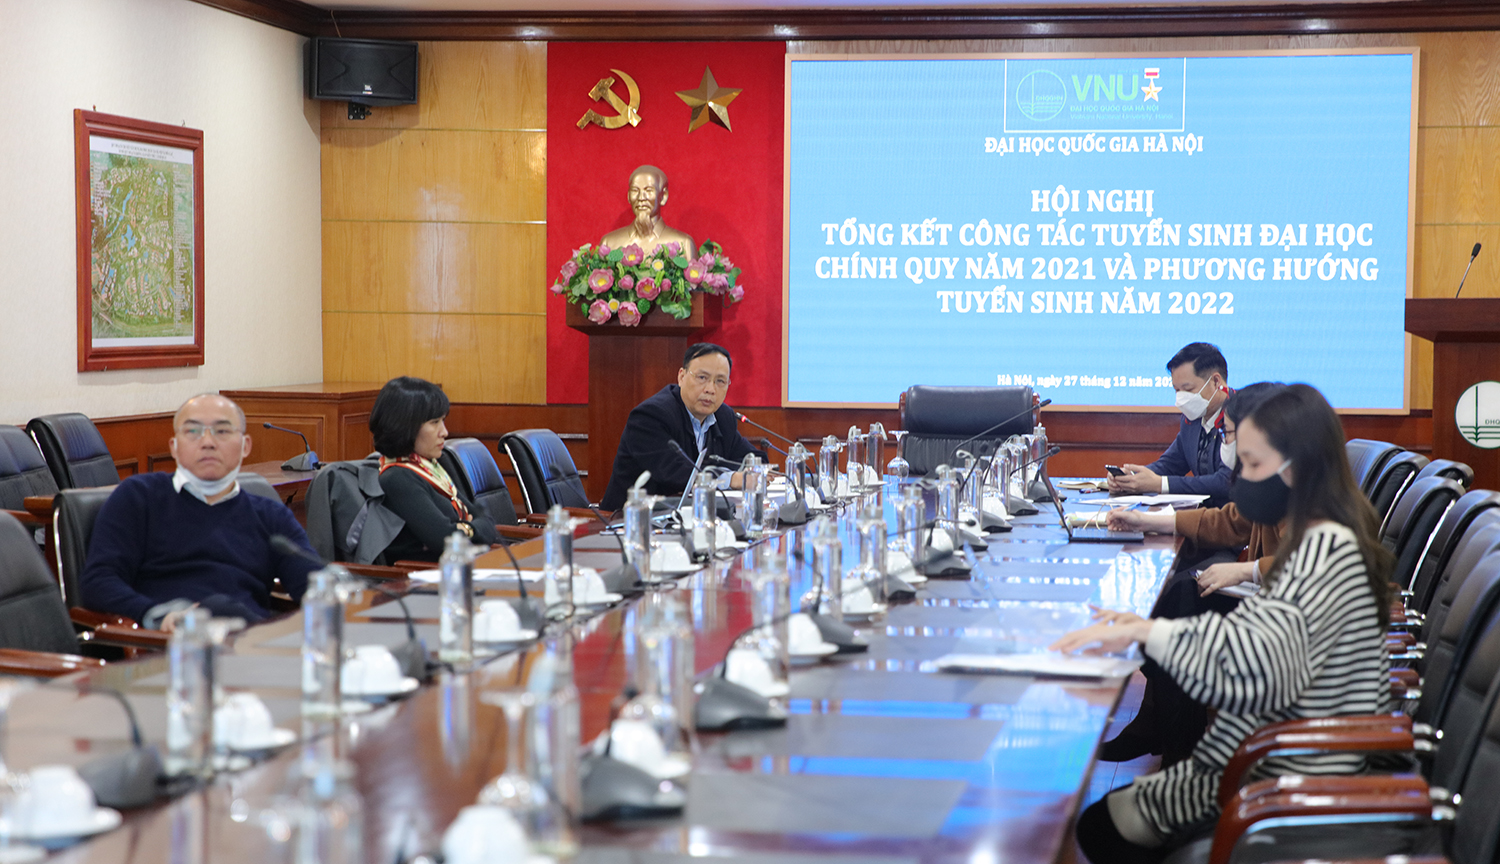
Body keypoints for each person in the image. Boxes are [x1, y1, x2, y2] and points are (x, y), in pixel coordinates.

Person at [1055, 383, 1393, 864]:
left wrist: (1146, 633)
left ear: (1294, 467)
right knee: (1102, 821)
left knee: (1099, 826)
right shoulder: (1323, 535)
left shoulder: (1327, 549)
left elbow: (1250, 666)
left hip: (1282, 778)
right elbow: (1257, 639)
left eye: (1252, 464)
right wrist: (1143, 630)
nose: (1242, 478)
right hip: (1267, 757)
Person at [1097, 382, 1287, 764]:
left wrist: (1247, 570)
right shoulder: (1274, 476)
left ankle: (1179, 751)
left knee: (1181, 602)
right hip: (1273, 601)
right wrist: (1147, 520)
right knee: (1176, 596)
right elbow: (1231, 521)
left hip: (1286, 619)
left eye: (1228, 434)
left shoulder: (1302, 487)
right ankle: (1165, 734)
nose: (1225, 444)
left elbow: (1312, 567)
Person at [79, 394, 320, 630]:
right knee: (216, 609)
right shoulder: (138, 497)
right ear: (174, 447)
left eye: (222, 431)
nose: (207, 442)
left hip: (248, 640)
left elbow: (313, 583)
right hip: (170, 643)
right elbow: (98, 582)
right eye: (193, 431)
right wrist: (157, 615)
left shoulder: (270, 515)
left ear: (245, 446)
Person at [600, 343, 758, 512]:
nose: (710, 389)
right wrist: (730, 478)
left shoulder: (723, 416)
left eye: (720, 381)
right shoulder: (651, 415)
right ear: (681, 377)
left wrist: (752, 471)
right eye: (702, 377)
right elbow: (674, 473)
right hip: (630, 520)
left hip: (690, 517)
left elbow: (752, 457)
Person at [370, 377, 497, 562]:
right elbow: (444, 540)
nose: (444, 432)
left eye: (443, 421)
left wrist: (464, 529)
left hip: (458, 565)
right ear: (405, 426)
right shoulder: (397, 477)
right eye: (434, 422)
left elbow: (488, 522)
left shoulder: (431, 467)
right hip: (422, 575)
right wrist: (470, 528)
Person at [1109, 342, 1234, 505]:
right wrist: (1131, 478)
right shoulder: (1192, 418)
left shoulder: (1244, 416)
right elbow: (1170, 464)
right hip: (1202, 514)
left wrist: (1161, 484)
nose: (1182, 398)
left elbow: (1226, 481)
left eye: (1188, 389)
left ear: (1216, 382)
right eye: (1177, 390)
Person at [599, 165, 695, 258]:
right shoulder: (609, 243)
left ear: (663, 196)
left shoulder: (684, 244)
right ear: (628, 196)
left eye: (649, 190)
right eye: (635, 190)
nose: (641, 198)